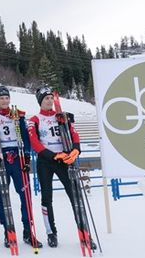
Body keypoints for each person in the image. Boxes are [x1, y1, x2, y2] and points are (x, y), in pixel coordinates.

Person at [27, 86, 95, 249]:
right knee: (46, 198)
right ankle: (51, 233)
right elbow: (34, 142)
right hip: (46, 161)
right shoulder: (35, 120)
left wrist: (76, 149)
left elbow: (74, 133)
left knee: (75, 196)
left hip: (65, 160)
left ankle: (84, 232)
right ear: (40, 101)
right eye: (46, 99)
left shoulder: (62, 116)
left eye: (51, 98)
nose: (49, 101)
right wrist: (52, 155)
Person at [0, 86, 43, 248]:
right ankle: (8, 231)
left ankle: (28, 231)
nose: (5, 101)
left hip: (18, 156)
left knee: (25, 195)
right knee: (3, 195)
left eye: (7, 98)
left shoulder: (18, 115)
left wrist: (27, 158)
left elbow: (26, 138)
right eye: (1, 98)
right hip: (2, 157)